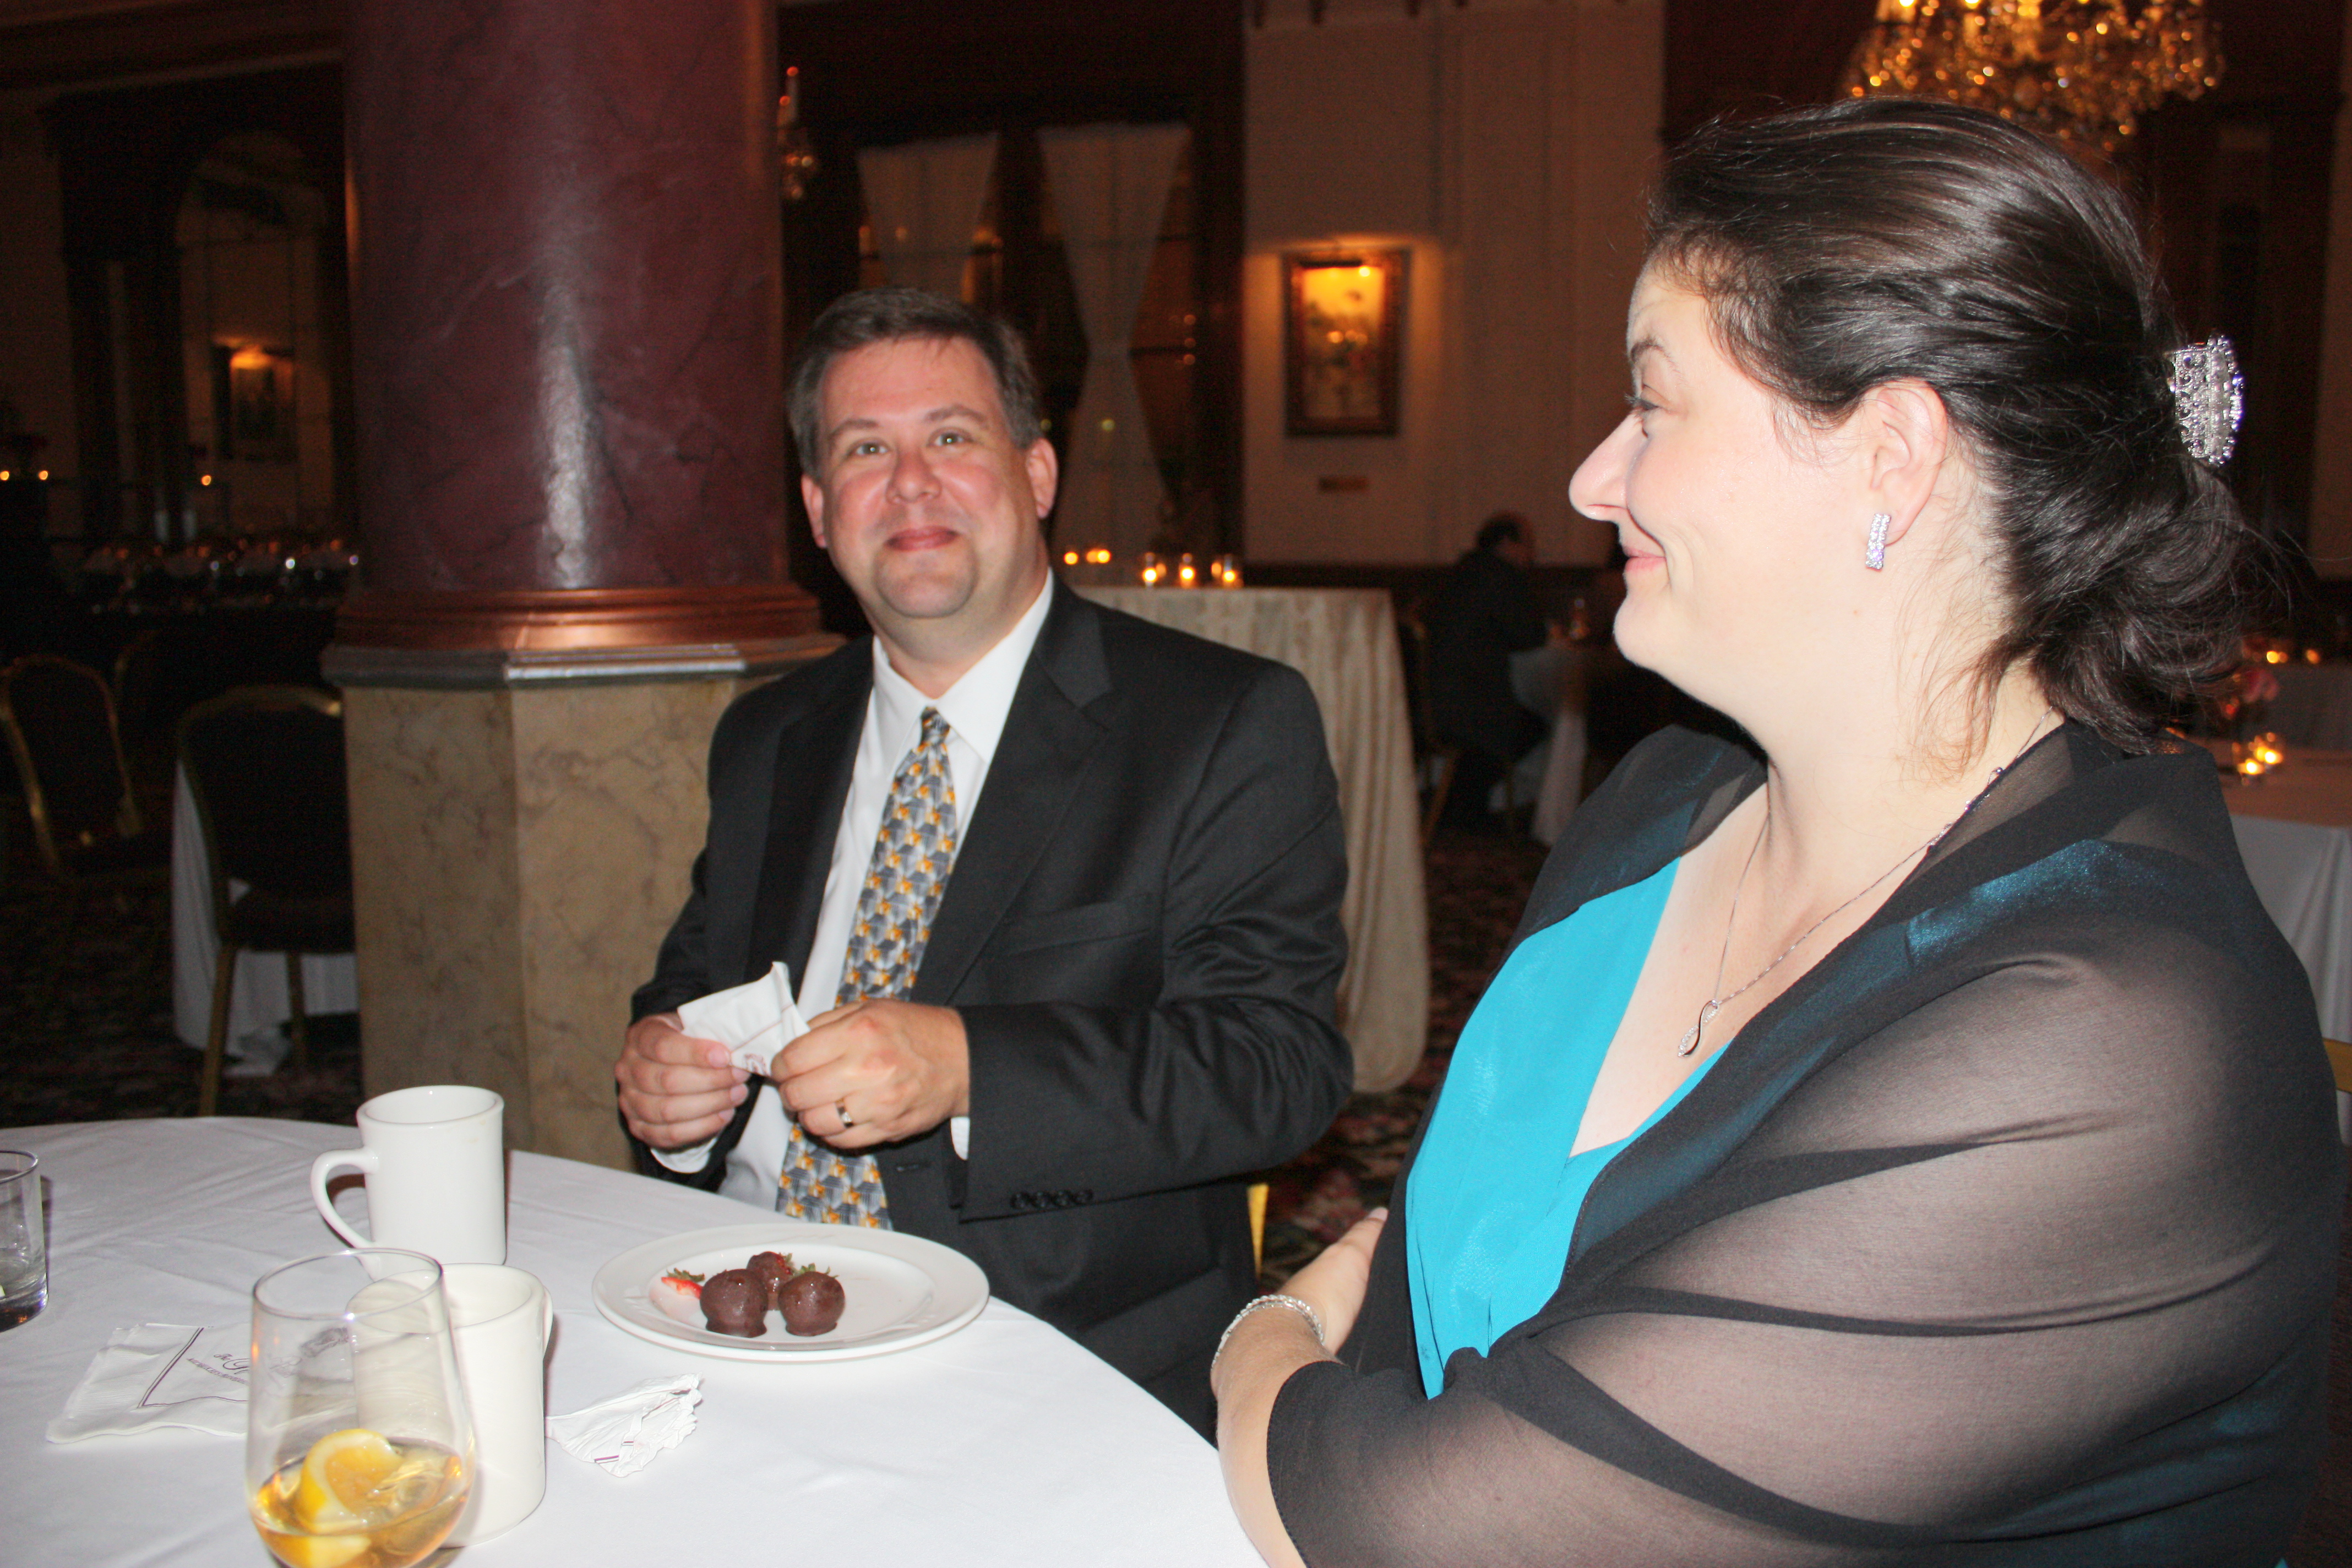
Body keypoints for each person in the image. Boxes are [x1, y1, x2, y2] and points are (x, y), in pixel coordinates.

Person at [1213, 98, 2342, 1565]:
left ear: (1890, 456)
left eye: (1654, 405)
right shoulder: (1665, 801)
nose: (1593, 479)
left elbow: (1420, 1524)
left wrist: (1263, 1333)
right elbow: (1424, 1288)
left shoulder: (2118, 1036)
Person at [616, 287, 1352, 1433]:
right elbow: (694, 981)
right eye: (866, 449)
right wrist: (668, 1077)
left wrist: (970, 1068)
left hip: (1048, 1355)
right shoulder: (768, 735)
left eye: (951, 437)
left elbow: (1277, 1066)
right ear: (819, 509)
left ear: (1038, 473)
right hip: (740, 1318)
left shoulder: (1218, 724)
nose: (911, 482)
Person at [1423, 511, 1549, 829]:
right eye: (1528, 544)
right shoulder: (1500, 578)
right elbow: (1530, 635)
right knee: (1539, 723)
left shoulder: (1458, 574)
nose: (1532, 554)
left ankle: (1456, 803)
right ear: (1507, 543)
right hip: (1471, 708)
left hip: (1429, 701)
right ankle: (1468, 807)